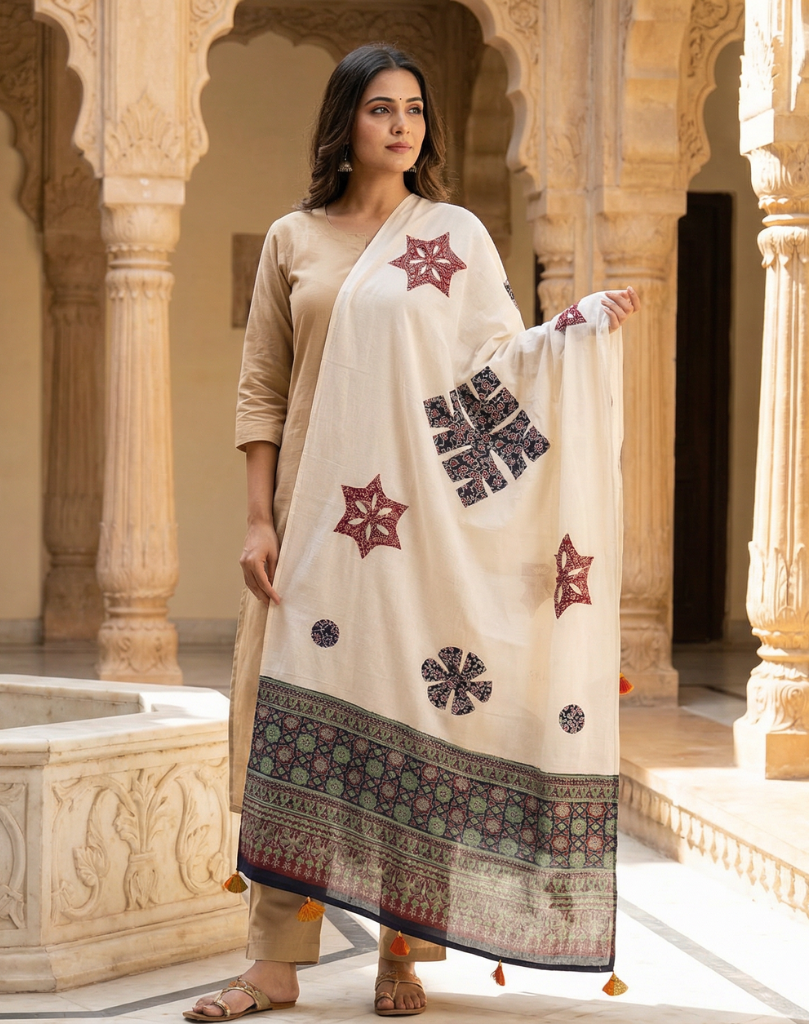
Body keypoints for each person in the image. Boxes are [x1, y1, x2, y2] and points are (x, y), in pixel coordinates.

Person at [186, 43, 639, 1022]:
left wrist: (574, 333)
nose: (402, 125)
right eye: (381, 108)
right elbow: (262, 386)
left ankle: (403, 951)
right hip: (315, 526)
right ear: (344, 122)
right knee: (292, 739)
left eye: (415, 110)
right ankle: (272, 964)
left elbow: (497, 369)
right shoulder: (293, 240)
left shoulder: (455, 236)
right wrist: (258, 519)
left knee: (416, 726)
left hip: (417, 532)